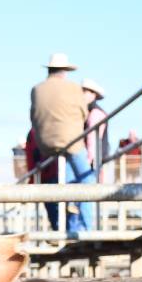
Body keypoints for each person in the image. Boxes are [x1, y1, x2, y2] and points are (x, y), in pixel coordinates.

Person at [30, 53, 92, 232]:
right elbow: (83, 113)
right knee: (89, 180)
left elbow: (33, 117)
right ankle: (87, 228)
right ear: (65, 71)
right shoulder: (73, 88)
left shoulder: (36, 89)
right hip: (71, 142)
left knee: (67, 180)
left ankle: (71, 224)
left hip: (46, 144)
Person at [82, 79, 108, 169]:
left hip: (93, 160)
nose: (82, 94)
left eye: (85, 91)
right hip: (95, 159)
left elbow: (92, 139)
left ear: (94, 94)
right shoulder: (91, 112)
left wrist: (89, 161)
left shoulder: (95, 113)